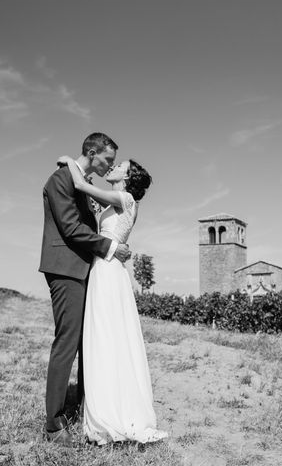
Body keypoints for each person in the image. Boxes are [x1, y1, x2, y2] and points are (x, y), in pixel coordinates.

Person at [57, 154, 168, 446]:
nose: (114, 167)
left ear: (127, 178)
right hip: (105, 268)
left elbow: (80, 184)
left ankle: (109, 412)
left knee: (105, 335)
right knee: (106, 336)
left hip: (107, 271)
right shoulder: (116, 201)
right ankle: (104, 403)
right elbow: (99, 212)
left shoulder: (126, 198)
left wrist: (71, 160)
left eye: (120, 167)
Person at [39, 132, 131, 446]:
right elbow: (70, 227)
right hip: (64, 270)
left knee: (85, 342)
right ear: (92, 152)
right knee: (67, 342)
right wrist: (111, 247)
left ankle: (81, 407)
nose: (110, 165)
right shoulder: (60, 179)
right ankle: (53, 425)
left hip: (84, 270)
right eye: (107, 159)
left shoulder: (78, 178)